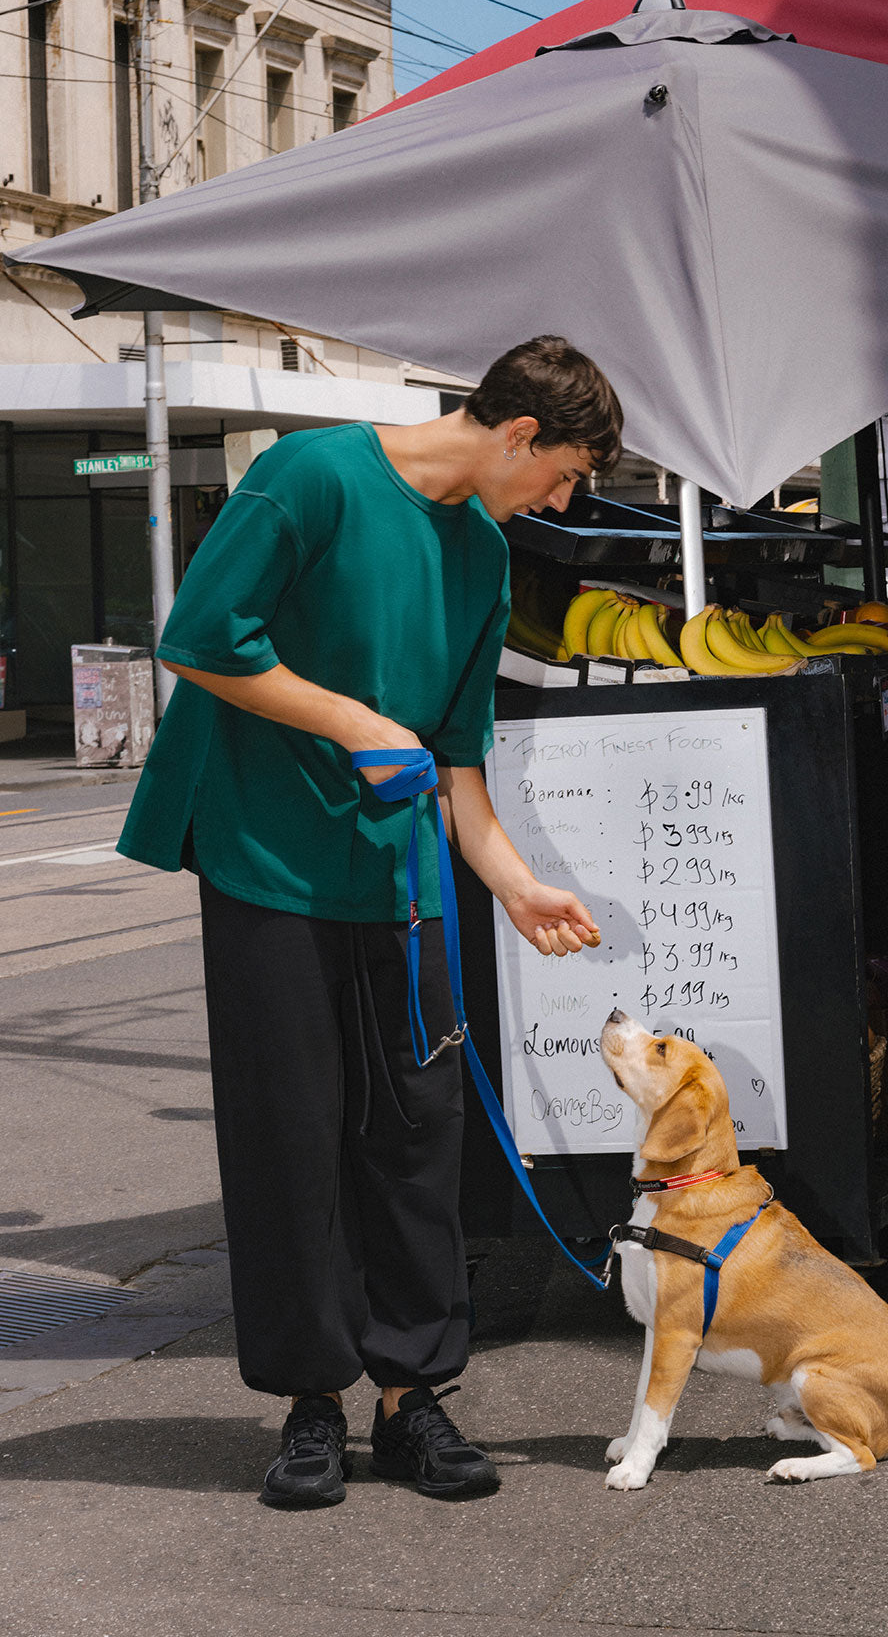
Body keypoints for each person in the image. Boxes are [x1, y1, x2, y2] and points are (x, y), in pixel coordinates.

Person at [117, 335, 623, 1508]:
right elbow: (199, 638)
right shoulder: (310, 476)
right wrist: (348, 719)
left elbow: (457, 765)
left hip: (399, 880)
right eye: (563, 474)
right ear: (516, 435)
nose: (563, 499)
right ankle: (310, 1406)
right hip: (264, 857)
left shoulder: (484, 555)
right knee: (292, 1139)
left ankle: (412, 1401)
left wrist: (515, 881)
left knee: (415, 1134)